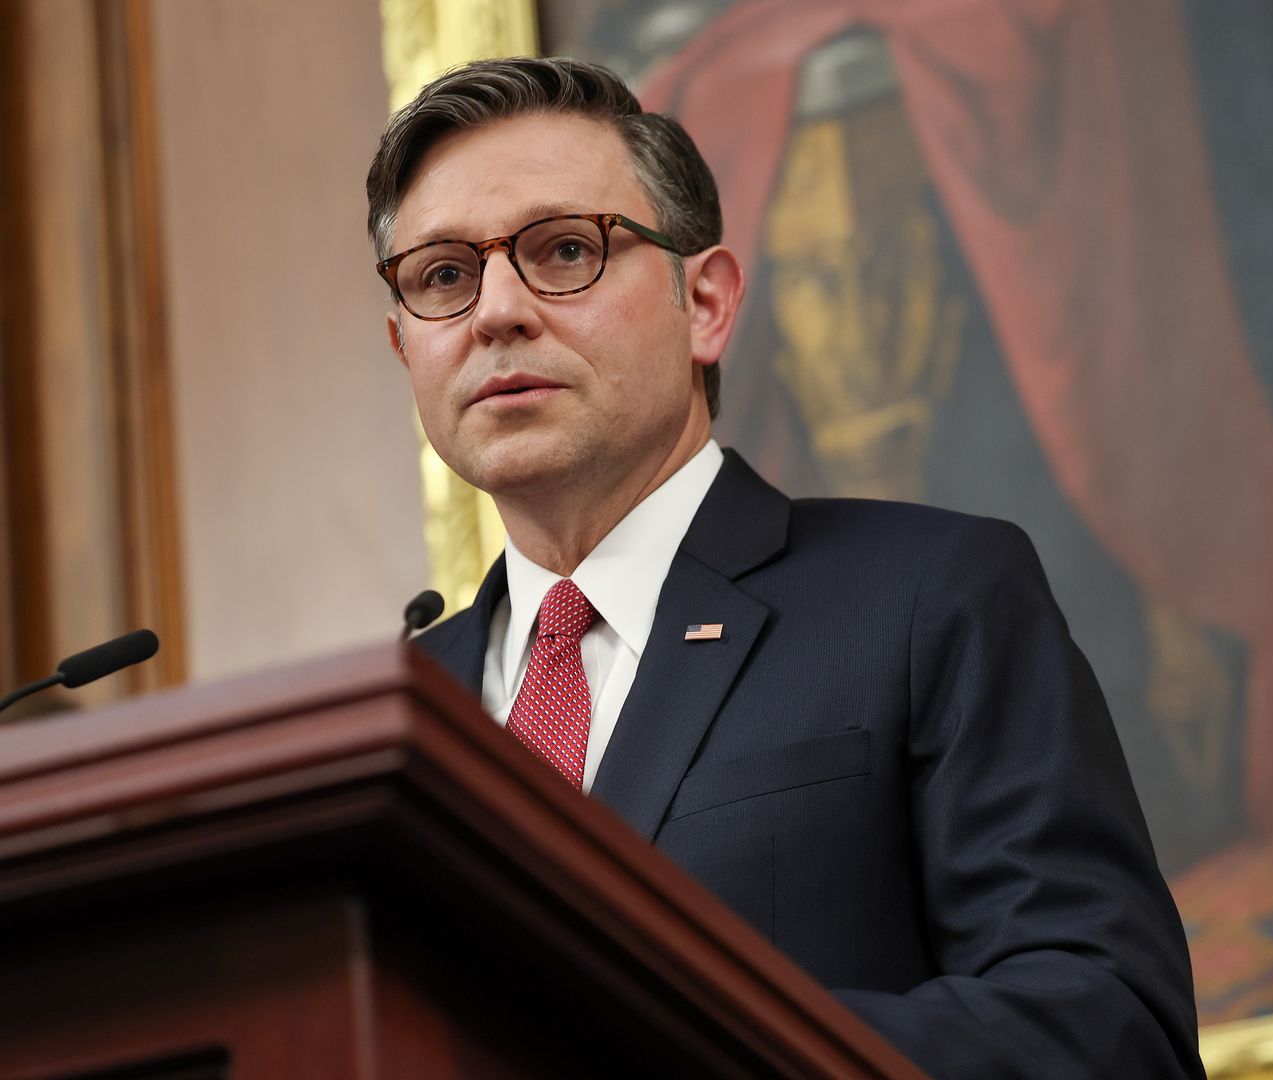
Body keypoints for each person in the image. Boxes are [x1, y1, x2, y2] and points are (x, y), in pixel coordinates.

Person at [368, 56, 1201, 1078]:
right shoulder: (401, 717)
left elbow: (1108, 1031)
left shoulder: (930, 598)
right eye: (445, 276)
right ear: (406, 344)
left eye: (565, 250)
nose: (496, 310)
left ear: (706, 301)